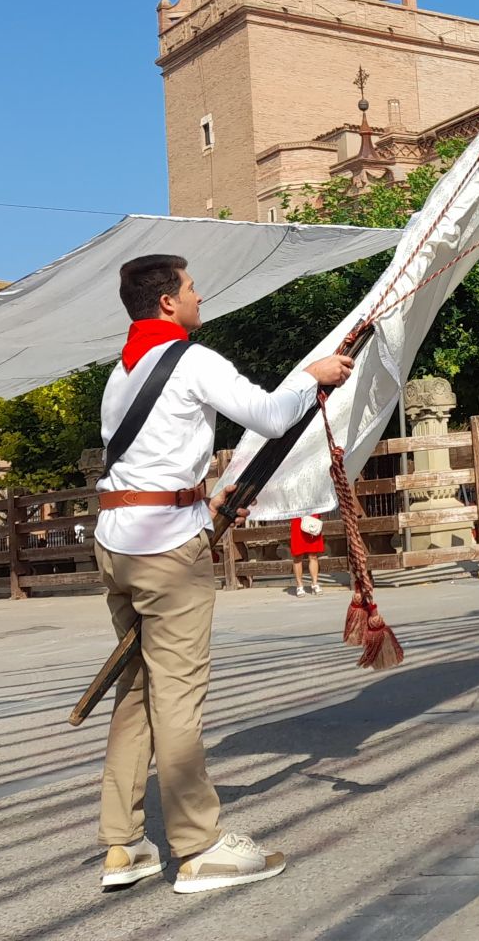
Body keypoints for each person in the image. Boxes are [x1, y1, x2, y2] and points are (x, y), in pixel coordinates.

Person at [94, 253, 353, 895]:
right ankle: (199, 847)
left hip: (118, 540)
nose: (198, 296)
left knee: (136, 692)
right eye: (191, 288)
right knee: (178, 694)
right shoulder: (192, 360)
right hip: (165, 549)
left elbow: (146, 462)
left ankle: (124, 844)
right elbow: (271, 415)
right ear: (167, 303)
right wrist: (313, 374)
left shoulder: (121, 371)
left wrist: (199, 500)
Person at [287, 514, 325, 597]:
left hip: (312, 519)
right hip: (297, 518)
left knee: (313, 555)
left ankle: (315, 584)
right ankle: (299, 586)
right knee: (298, 555)